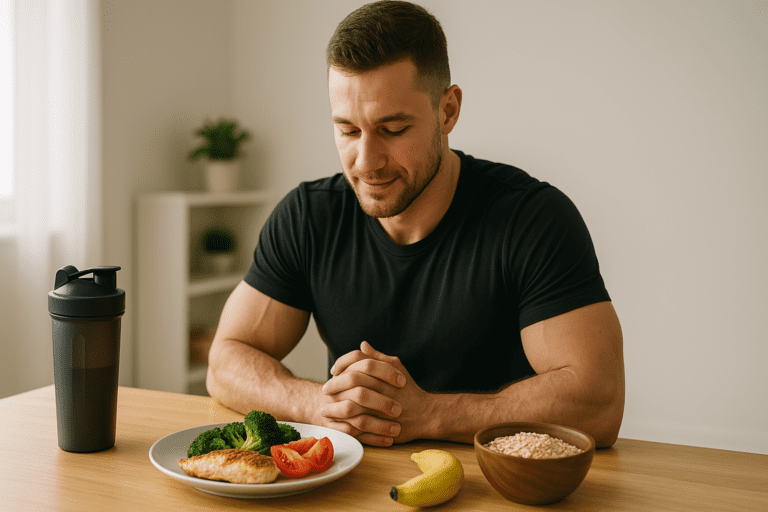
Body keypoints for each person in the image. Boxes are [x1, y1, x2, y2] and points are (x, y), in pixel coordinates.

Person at [206, 0, 625, 448]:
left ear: (447, 111)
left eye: (392, 129)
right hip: (356, 483)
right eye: (348, 131)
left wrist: (430, 415)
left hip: (498, 485)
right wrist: (317, 405)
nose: (366, 163)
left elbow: (598, 402)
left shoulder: (533, 219)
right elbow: (224, 364)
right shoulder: (308, 217)